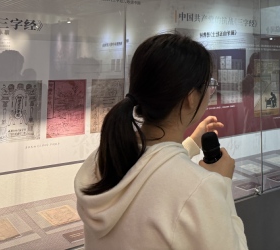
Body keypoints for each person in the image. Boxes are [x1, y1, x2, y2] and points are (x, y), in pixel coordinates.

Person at [75, 33, 248, 249]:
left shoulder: (103, 159)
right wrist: (222, 185)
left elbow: (149, 171)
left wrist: (190, 145)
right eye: (208, 85)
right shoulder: (200, 188)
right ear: (191, 98)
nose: (210, 92)